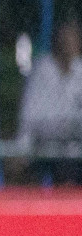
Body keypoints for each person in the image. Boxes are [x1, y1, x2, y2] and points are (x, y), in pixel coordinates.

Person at [18, 13, 82, 184]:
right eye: (65, 36)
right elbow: (29, 116)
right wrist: (22, 150)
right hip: (44, 143)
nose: (69, 42)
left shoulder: (80, 71)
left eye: (73, 37)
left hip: (75, 145)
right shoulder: (42, 70)